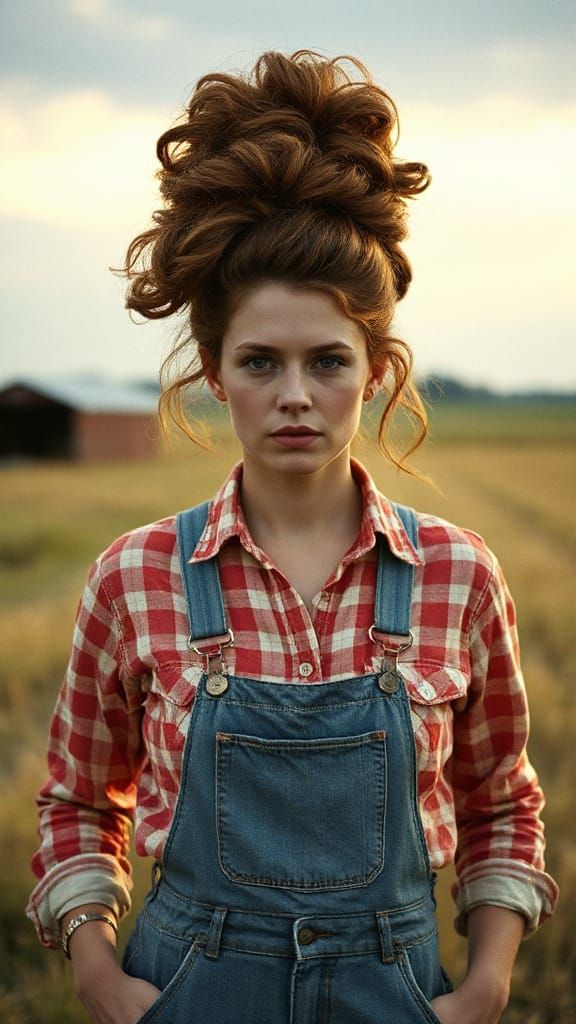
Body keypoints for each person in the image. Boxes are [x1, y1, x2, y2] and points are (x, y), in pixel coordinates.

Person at [27, 50, 558, 1024]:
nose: (297, 395)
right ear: (215, 375)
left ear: (378, 369)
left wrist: (484, 987)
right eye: (261, 361)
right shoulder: (135, 576)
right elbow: (76, 803)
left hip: (396, 995)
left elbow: (501, 805)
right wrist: (100, 974)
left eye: (328, 360)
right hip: (186, 991)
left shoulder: (456, 574)